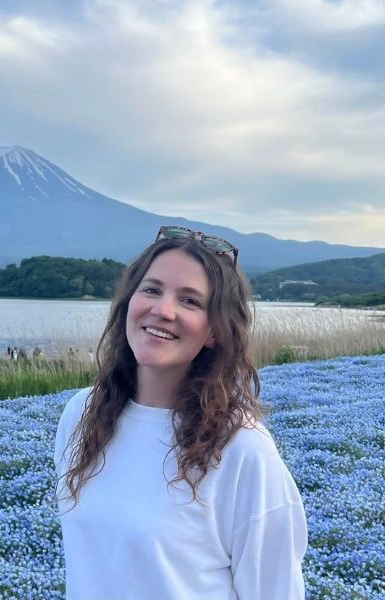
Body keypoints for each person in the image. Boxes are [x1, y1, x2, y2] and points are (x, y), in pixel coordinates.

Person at [54, 225, 307, 600]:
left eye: (190, 301)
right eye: (152, 289)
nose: (162, 310)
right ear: (129, 302)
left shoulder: (243, 450)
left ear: (214, 332)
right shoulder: (81, 413)